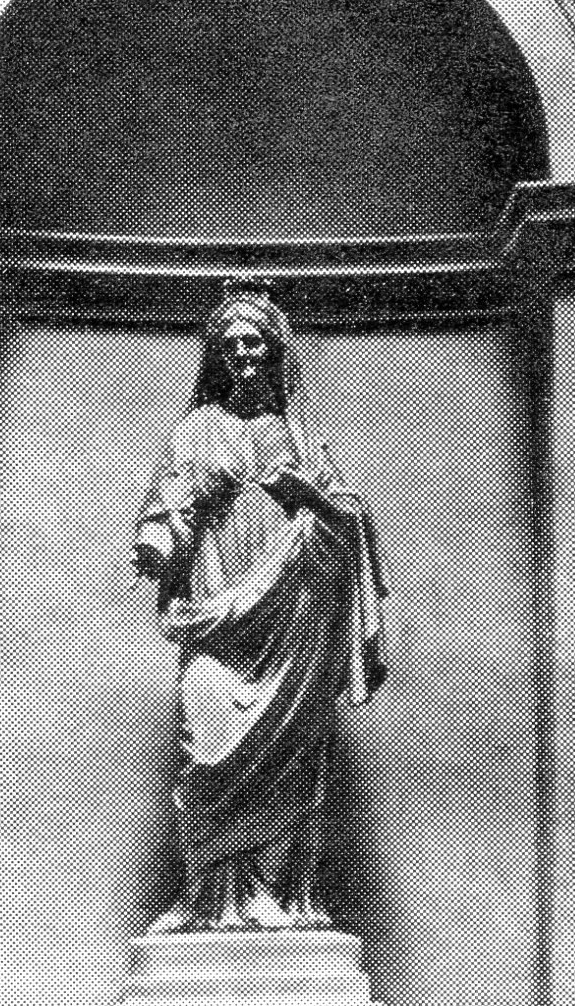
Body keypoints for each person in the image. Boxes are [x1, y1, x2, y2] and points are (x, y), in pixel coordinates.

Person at [134, 280, 387, 931]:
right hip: (217, 609)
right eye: (231, 344)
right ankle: (208, 897)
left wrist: (311, 497)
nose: (243, 354)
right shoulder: (195, 430)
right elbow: (166, 508)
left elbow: (350, 520)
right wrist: (160, 541)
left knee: (289, 758)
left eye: (254, 343)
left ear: (274, 350)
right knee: (207, 739)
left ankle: (276, 895)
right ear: (217, 355)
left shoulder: (299, 436)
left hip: (290, 618)